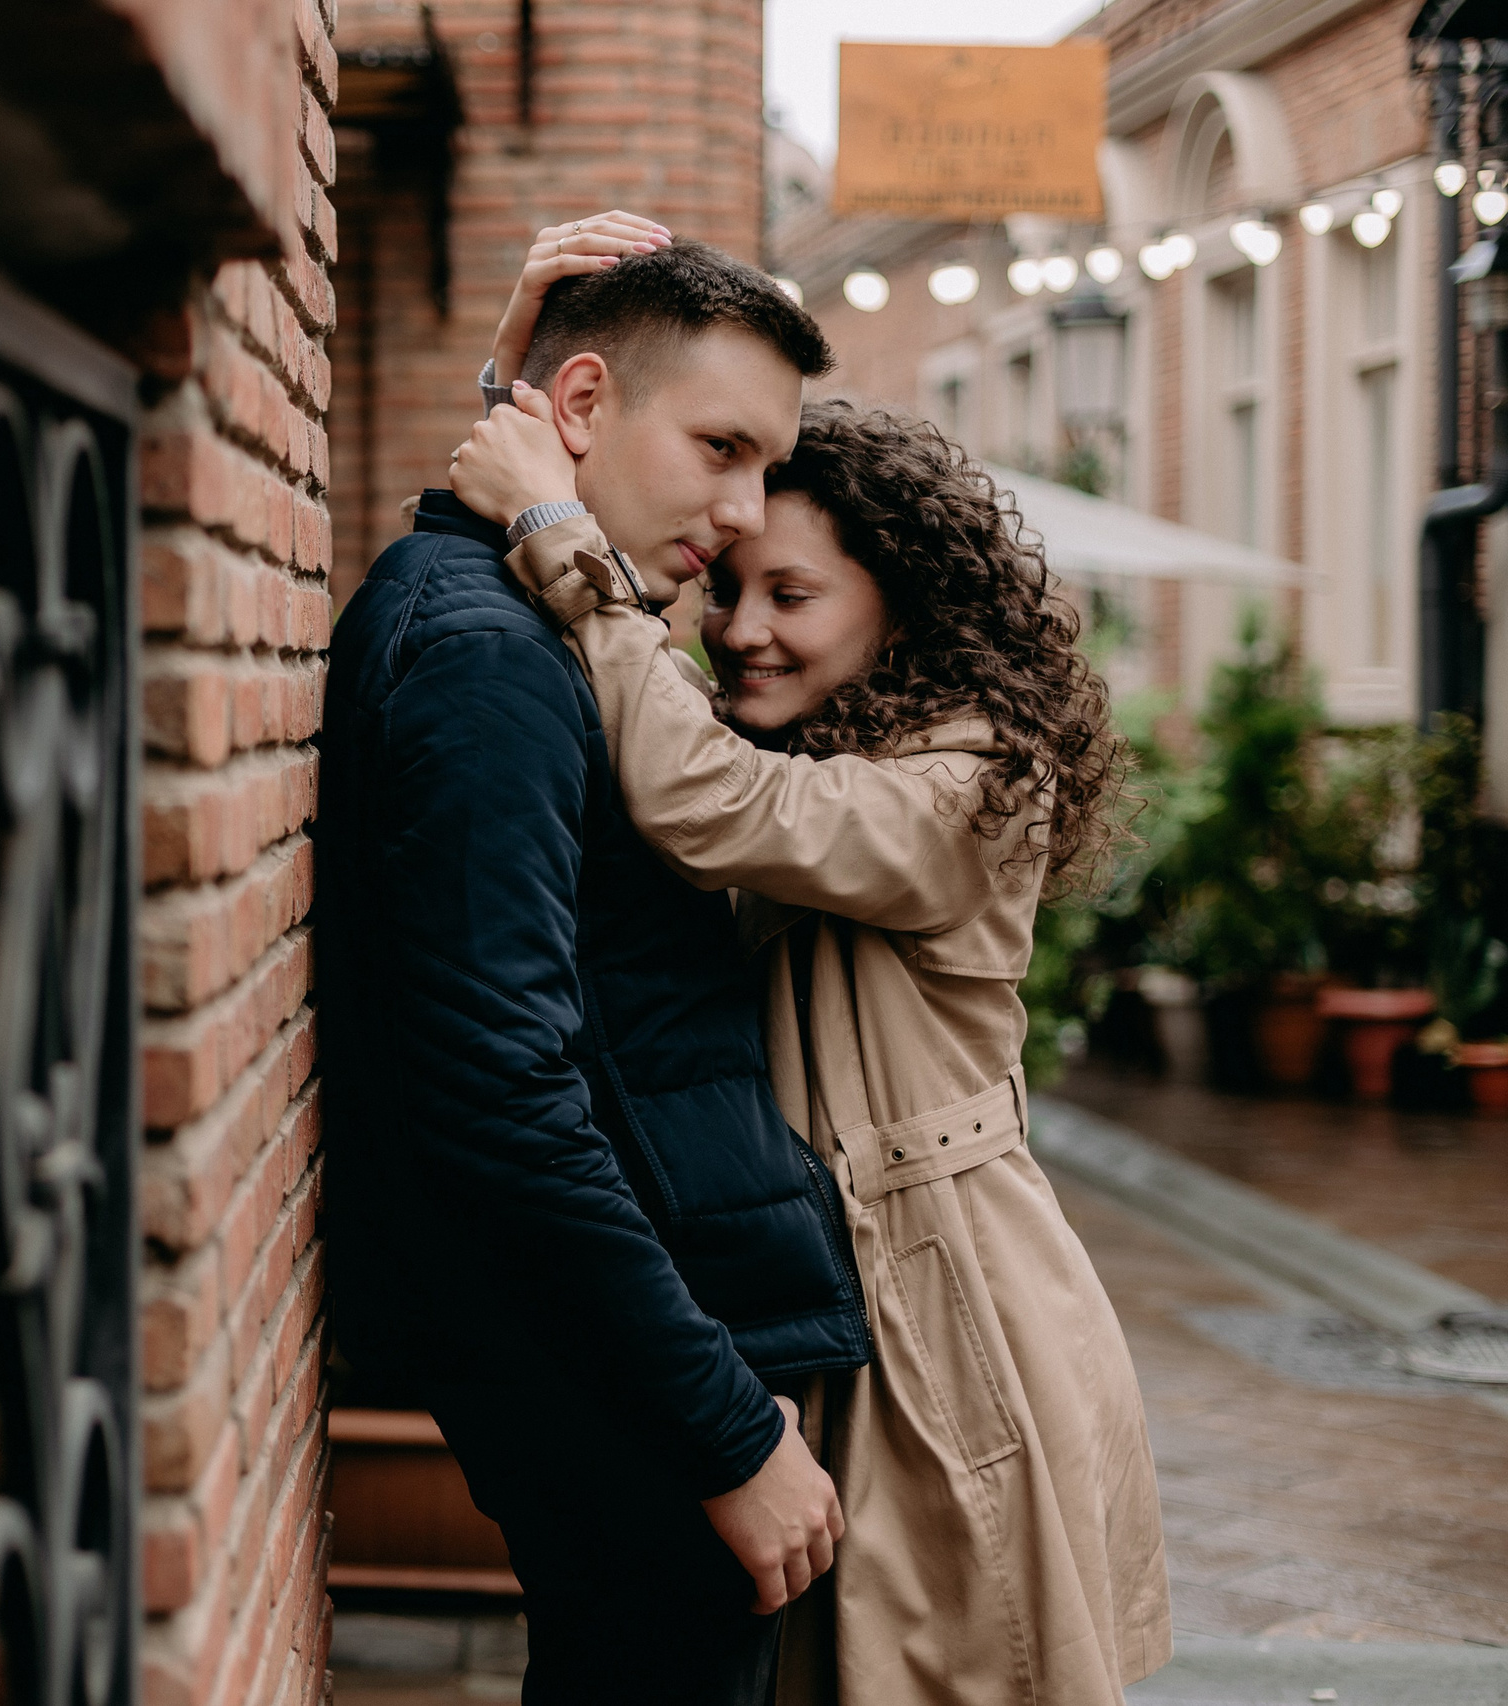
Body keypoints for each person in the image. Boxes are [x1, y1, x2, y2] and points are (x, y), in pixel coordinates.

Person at [448, 300, 1172, 1702]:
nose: (739, 631)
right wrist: (521, 394)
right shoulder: (824, 745)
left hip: (948, 1313)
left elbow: (702, 801)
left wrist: (563, 541)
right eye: (730, 590)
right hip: (840, 1289)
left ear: (900, 600)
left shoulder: (967, 784)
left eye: (794, 596)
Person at [315, 231, 869, 1706]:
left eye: (767, 464)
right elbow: (501, 1094)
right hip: (624, 1376)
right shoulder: (489, 654)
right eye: (721, 447)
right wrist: (725, 1430)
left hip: (618, 1349)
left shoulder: (484, 607)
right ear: (575, 406)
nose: (744, 513)